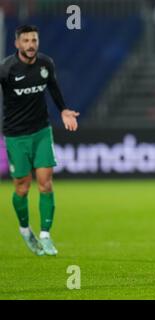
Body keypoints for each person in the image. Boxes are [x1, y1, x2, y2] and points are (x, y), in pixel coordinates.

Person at [0, 25, 79, 256]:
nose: (30, 44)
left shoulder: (46, 64)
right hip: (15, 136)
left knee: (45, 183)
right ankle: (25, 230)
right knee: (22, 187)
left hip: (42, 132)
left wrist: (63, 110)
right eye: (25, 40)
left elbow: (53, 87)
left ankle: (45, 235)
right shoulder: (6, 69)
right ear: (17, 44)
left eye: (34, 39)